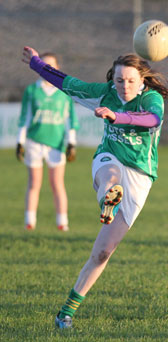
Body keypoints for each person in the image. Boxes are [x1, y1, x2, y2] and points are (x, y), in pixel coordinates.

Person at [22, 45, 168, 328]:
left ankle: (65, 311)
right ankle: (108, 198)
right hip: (110, 158)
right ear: (111, 80)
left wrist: (118, 117)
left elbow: (153, 120)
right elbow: (67, 83)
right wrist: (37, 65)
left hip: (140, 174)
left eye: (130, 80)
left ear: (142, 80)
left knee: (103, 252)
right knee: (110, 173)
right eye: (119, 80)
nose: (124, 86)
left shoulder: (151, 99)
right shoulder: (104, 93)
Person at [17, 52, 79, 232]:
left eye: (51, 66)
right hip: (34, 141)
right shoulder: (32, 90)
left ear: (57, 68)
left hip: (56, 143)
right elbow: (25, 117)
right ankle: (30, 222)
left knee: (57, 183)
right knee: (34, 183)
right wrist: (19, 141)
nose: (47, 69)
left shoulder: (63, 92)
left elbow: (70, 119)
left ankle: (62, 222)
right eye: (43, 65)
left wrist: (71, 142)